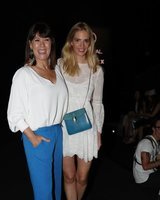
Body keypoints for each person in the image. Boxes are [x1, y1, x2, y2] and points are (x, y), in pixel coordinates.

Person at [7, 22, 68, 200]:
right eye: (36, 40)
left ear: (52, 43)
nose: (42, 45)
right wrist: (31, 136)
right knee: (44, 193)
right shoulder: (24, 74)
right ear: (30, 45)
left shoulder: (57, 71)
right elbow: (14, 113)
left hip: (58, 132)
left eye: (46, 40)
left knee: (57, 190)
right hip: (37, 134)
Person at [57, 22, 104, 200]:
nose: (82, 45)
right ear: (71, 42)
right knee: (69, 176)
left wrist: (98, 132)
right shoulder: (60, 65)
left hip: (87, 126)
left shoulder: (96, 69)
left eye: (85, 41)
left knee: (82, 178)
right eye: (78, 40)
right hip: (64, 126)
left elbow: (98, 103)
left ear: (90, 43)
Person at [133, 115, 160, 200]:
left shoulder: (157, 143)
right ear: (153, 129)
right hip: (143, 178)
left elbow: (158, 158)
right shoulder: (147, 143)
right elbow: (146, 166)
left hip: (149, 173)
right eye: (159, 127)